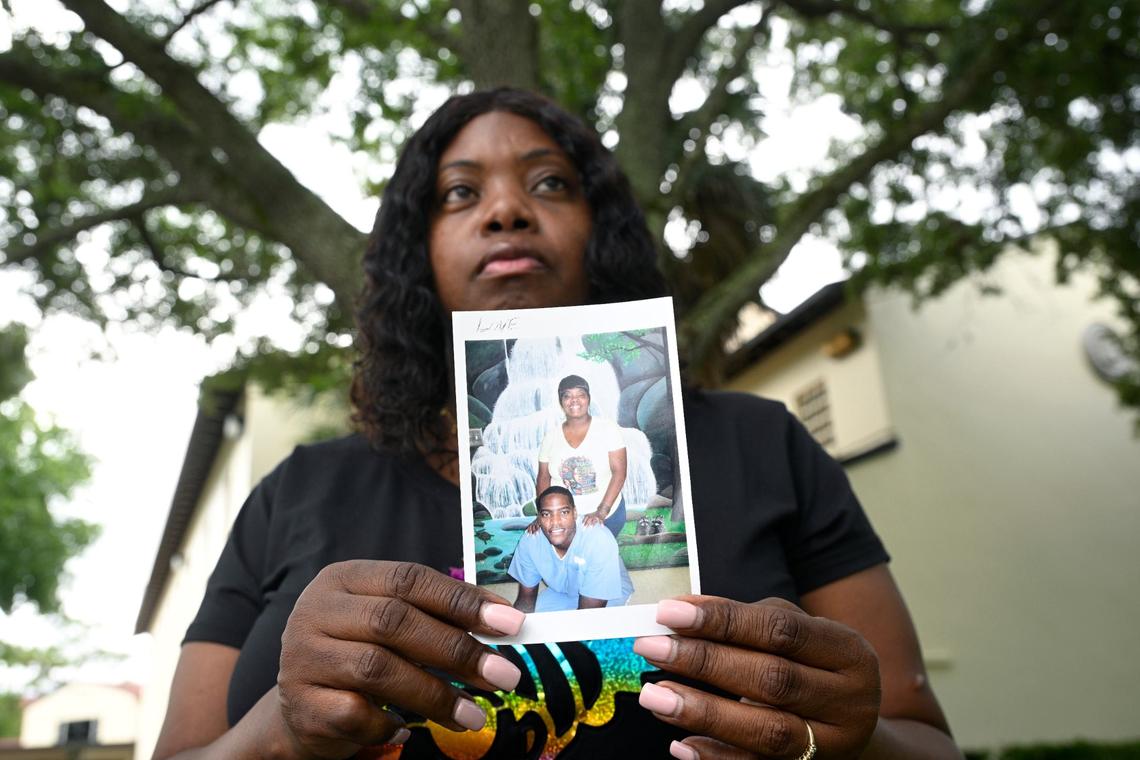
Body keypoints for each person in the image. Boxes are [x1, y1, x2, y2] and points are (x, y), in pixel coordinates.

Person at [152, 88, 961, 760]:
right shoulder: (297, 490)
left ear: (600, 232)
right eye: (460, 193)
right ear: (417, 252)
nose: (505, 209)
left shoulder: (764, 444)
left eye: (548, 184)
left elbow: (927, 744)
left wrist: (851, 742)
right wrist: (279, 727)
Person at [509, 486, 633, 612]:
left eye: (564, 512)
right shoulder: (531, 541)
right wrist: (519, 627)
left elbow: (589, 614)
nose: (555, 522)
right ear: (539, 518)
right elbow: (525, 600)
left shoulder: (598, 539)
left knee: (591, 628)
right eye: (546, 514)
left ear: (574, 513)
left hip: (606, 594)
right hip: (562, 592)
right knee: (534, 623)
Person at [536, 375, 628, 537]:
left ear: (588, 399)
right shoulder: (550, 437)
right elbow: (543, 478)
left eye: (580, 395)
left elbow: (619, 472)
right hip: (565, 520)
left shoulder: (608, 429)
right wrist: (544, 514)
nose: (574, 400)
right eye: (568, 396)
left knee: (600, 560)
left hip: (608, 515)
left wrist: (601, 512)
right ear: (561, 401)